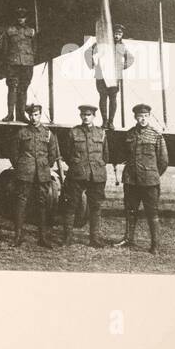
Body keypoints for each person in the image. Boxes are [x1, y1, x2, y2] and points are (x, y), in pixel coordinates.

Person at [116, 103, 168, 253]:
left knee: (152, 212)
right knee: (130, 210)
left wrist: (152, 174)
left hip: (149, 182)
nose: (143, 119)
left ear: (149, 117)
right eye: (140, 116)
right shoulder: (130, 134)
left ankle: (155, 245)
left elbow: (163, 161)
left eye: (145, 116)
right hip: (131, 180)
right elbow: (126, 155)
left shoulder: (156, 135)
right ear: (135, 117)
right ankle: (128, 239)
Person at [11, 103, 61, 248]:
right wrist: (21, 166)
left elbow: (53, 154)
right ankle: (18, 236)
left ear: (40, 114)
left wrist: (45, 166)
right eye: (31, 115)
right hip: (25, 173)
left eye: (36, 114)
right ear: (28, 115)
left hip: (42, 174)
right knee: (21, 203)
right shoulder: (21, 132)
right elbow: (14, 153)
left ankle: (42, 237)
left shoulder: (48, 133)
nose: (33, 118)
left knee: (42, 204)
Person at [62, 104, 110, 248]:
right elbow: (67, 153)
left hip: (96, 175)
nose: (86, 117)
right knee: (71, 205)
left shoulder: (101, 133)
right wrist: (77, 164)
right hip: (77, 174)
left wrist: (96, 166)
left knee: (95, 206)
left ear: (94, 116)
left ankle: (94, 238)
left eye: (88, 115)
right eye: (83, 115)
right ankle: (68, 238)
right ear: (80, 116)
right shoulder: (73, 132)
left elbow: (105, 155)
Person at [84, 24, 135, 129]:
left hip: (114, 76)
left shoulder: (122, 46)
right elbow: (87, 52)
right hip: (101, 75)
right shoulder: (102, 43)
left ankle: (111, 122)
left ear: (122, 35)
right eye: (115, 33)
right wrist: (93, 65)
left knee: (113, 98)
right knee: (103, 97)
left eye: (119, 34)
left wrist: (122, 67)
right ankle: (104, 121)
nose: (117, 36)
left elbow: (130, 58)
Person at [2, 7, 36, 122]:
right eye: (18, 17)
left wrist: (30, 59)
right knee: (12, 88)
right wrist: (7, 62)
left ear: (26, 18)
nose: (20, 19)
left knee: (23, 88)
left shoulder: (31, 31)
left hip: (27, 64)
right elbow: (5, 49)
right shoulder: (9, 31)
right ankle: (10, 114)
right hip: (12, 63)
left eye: (23, 17)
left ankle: (21, 115)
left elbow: (34, 48)